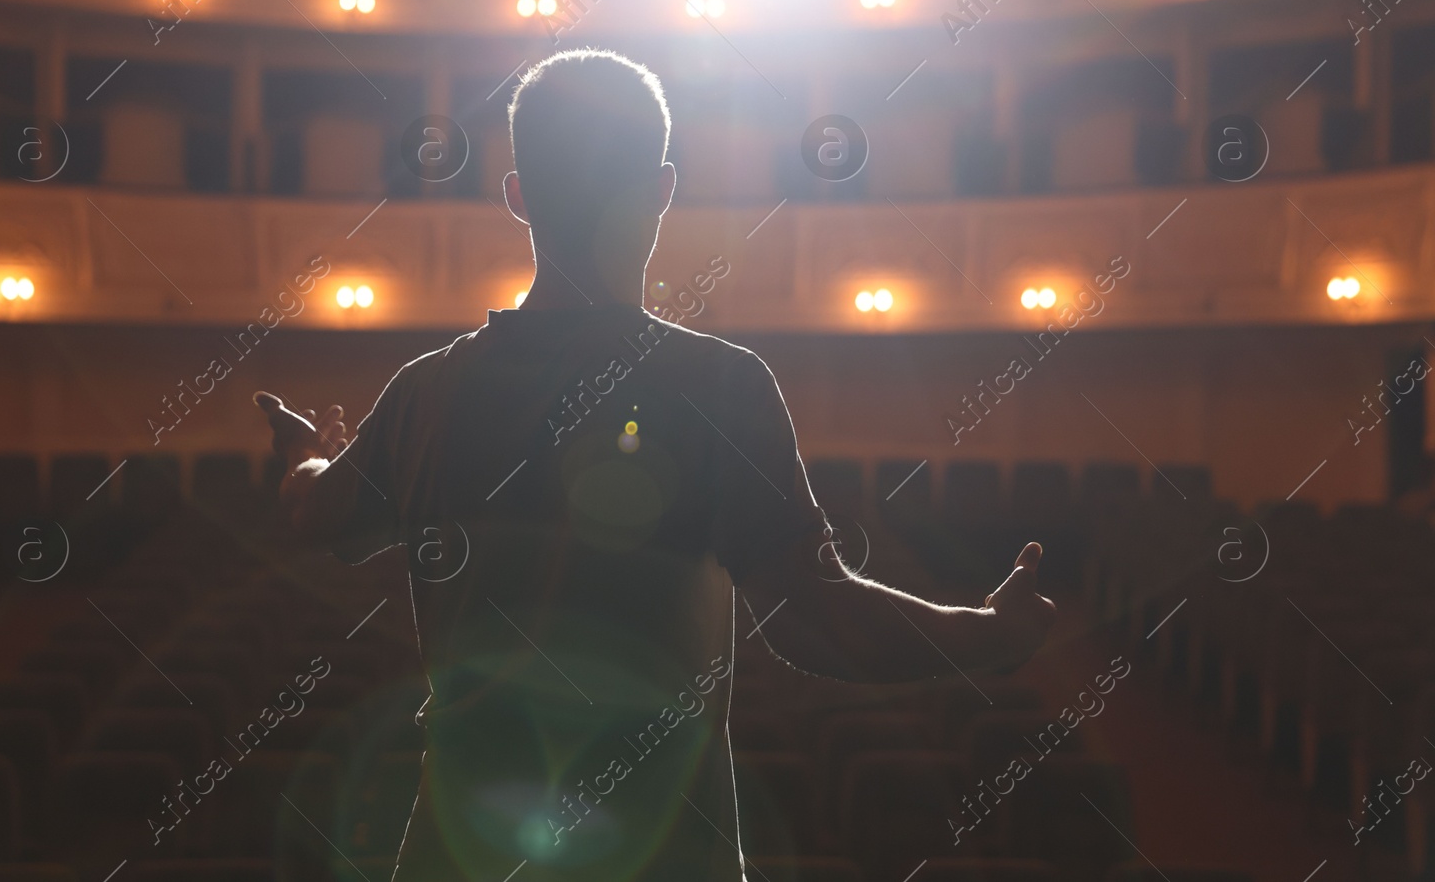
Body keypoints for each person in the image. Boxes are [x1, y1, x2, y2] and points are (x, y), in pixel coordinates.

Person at [254, 48, 1055, 882]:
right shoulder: (721, 387)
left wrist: (308, 455)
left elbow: (319, 515)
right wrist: (990, 633)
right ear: (662, 188)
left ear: (519, 197)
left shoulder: (425, 396)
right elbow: (814, 617)